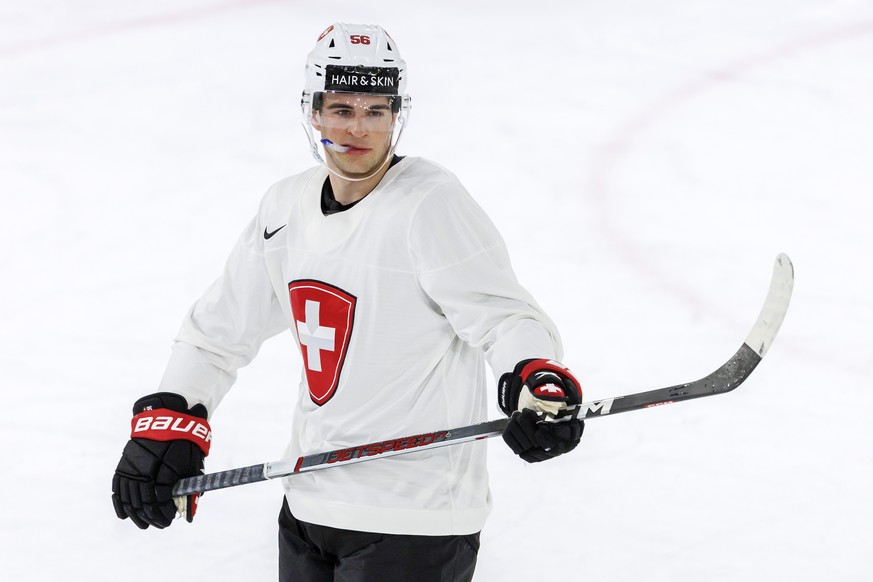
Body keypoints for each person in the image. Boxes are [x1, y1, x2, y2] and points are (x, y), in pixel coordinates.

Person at [111, 23, 585, 582]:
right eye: (340, 109)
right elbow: (217, 331)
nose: (358, 128)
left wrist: (535, 379)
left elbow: (506, 319)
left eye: (375, 111)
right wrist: (171, 419)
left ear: (396, 114)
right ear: (313, 112)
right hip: (309, 502)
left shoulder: (430, 205)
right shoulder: (284, 207)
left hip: (414, 518)